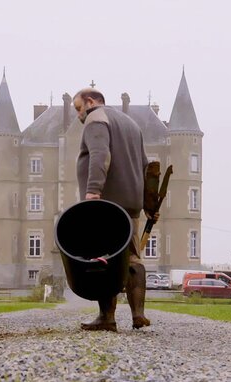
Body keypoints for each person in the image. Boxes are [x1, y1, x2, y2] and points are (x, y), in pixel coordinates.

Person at [73, 87, 156, 331]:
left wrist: (93, 191)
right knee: (133, 256)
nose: (78, 115)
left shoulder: (96, 118)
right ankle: (138, 314)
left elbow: (100, 154)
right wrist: (148, 205)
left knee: (103, 256)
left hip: (106, 204)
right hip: (131, 204)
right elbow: (146, 166)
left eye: (78, 108)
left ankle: (106, 317)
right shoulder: (132, 124)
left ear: (90, 102)